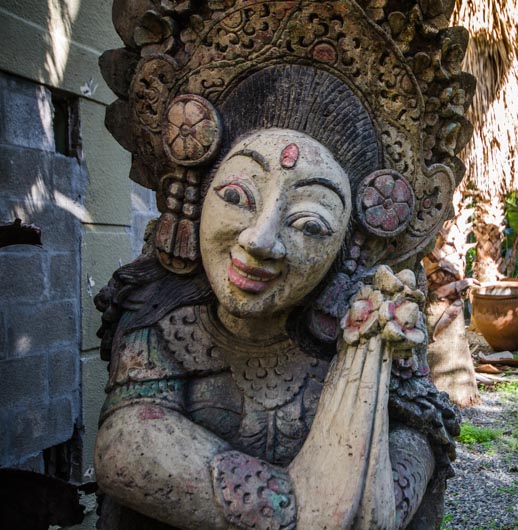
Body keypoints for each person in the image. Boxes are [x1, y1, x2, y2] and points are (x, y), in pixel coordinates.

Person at [93, 1, 473, 528]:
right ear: (195, 198)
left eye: (309, 224)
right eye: (236, 195)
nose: (260, 239)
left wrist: (364, 354)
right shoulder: (162, 334)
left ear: (348, 246)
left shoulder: (383, 342)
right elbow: (315, 514)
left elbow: (377, 513)